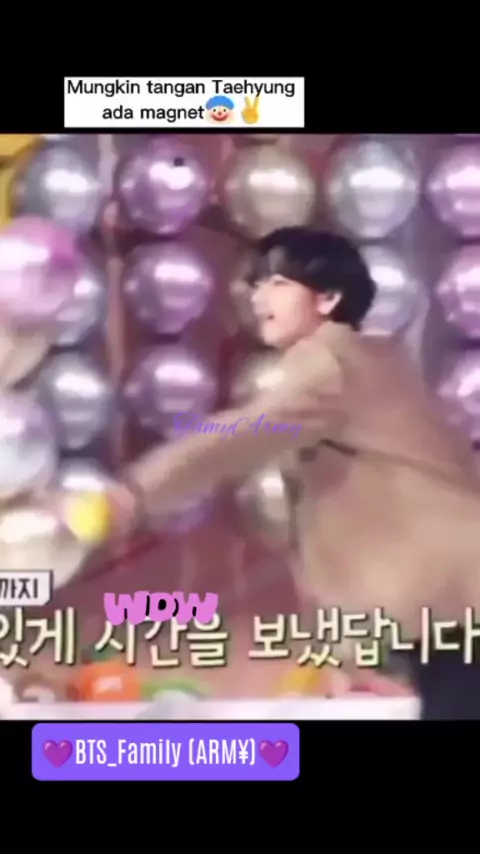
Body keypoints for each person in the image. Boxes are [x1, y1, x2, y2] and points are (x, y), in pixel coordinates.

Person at [91, 226, 480, 719]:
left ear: (328, 299)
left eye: (278, 284)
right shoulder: (374, 356)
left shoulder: (330, 363)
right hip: (451, 594)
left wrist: (135, 493)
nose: (259, 298)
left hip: (447, 593)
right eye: (256, 284)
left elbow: (240, 437)